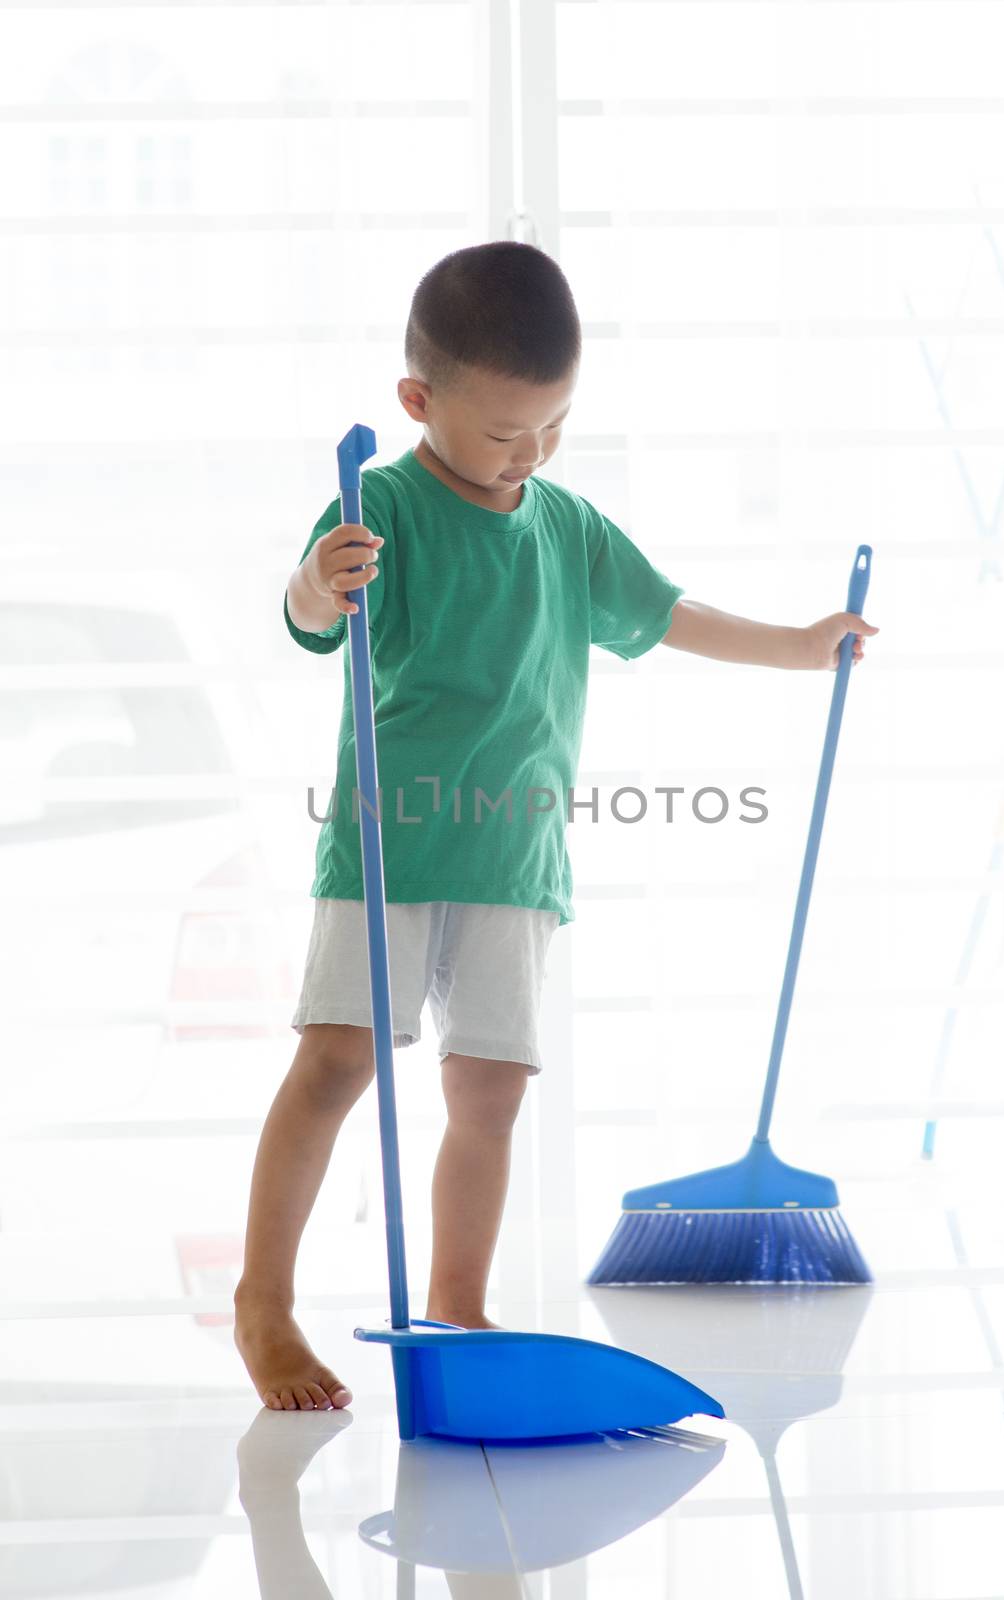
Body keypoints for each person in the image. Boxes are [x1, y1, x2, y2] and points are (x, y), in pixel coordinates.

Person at [233, 241, 880, 1412]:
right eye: (501, 433)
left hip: (516, 858)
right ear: (420, 403)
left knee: (491, 1093)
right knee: (337, 1063)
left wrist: (797, 644)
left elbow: (666, 612)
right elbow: (309, 615)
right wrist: (322, 582)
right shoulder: (381, 503)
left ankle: (459, 1302)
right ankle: (263, 1306)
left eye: (554, 426)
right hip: (391, 842)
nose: (528, 454)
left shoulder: (569, 528)